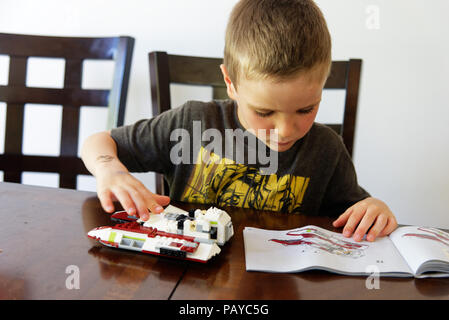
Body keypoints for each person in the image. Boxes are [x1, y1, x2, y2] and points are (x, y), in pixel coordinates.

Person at [81, 0, 397, 242]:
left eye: (306, 109)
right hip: (188, 278)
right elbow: (98, 142)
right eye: (264, 112)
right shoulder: (193, 123)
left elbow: (354, 214)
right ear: (230, 82)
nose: (286, 130)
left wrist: (375, 210)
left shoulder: (326, 150)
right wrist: (110, 169)